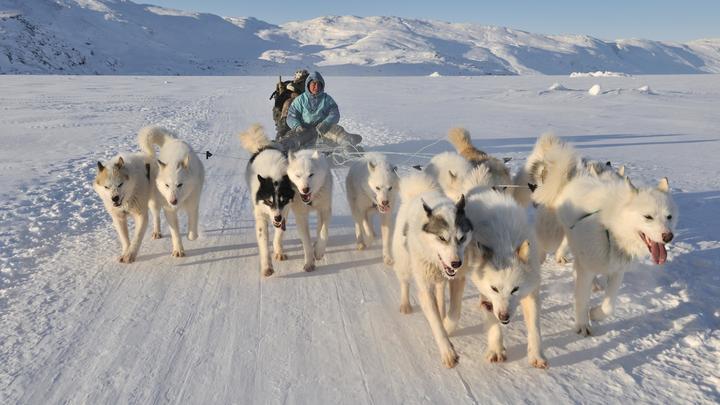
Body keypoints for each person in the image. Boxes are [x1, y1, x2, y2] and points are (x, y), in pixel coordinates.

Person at [278, 71, 362, 151]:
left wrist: (326, 123)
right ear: (308, 85)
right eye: (314, 84)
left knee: (337, 131)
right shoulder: (300, 100)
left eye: (319, 84)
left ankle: (349, 147)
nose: (316, 87)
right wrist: (297, 126)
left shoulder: (327, 99)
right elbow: (292, 115)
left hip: (324, 129)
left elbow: (334, 113)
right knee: (292, 137)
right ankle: (280, 149)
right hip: (304, 130)